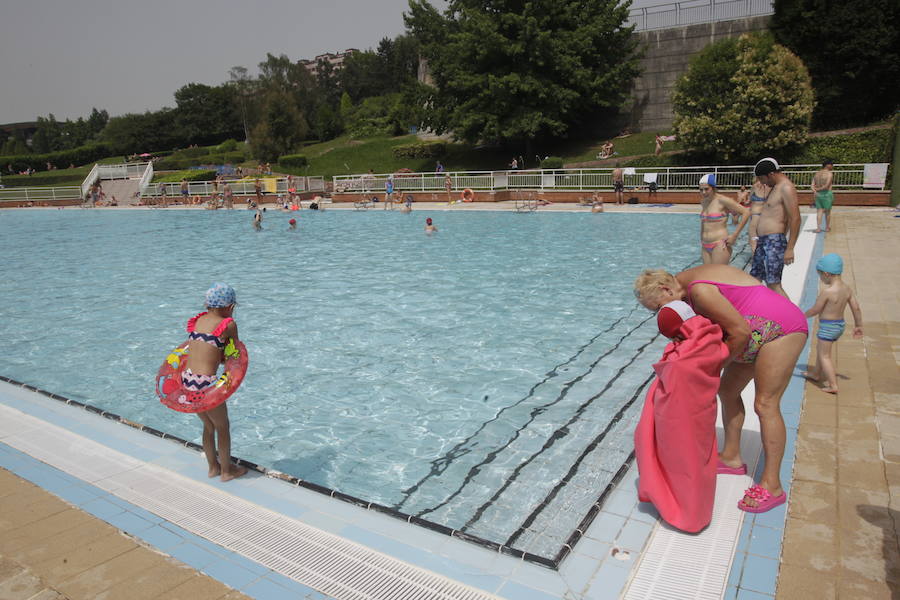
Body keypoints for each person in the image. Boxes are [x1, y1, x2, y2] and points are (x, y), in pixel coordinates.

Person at [634, 265, 807, 513]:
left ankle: (773, 485)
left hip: (781, 329)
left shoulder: (700, 292)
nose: (663, 312)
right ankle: (732, 456)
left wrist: (713, 367)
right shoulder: (685, 290)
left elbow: (740, 331)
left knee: (766, 404)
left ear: (665, 289)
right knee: (727, 391)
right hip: (756, 333)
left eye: (659, 306)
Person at [183, 283, 247, 481]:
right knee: (222, 427)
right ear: (230, 307)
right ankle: (227, 471)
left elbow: (205, 348)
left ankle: (213, 467)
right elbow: (232, 355)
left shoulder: (199, 320)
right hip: (207, 384)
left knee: (208, 427)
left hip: (187, 380)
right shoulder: (228, 324)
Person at [802, 254, 863, 394]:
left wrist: (802, 315)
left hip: (828, 327)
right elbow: (856, 307)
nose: (821, 279)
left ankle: (833, 385)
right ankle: (816, 373)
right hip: (839, 325)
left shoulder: (827, 292)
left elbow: (816, 309)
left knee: (825, 356)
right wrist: (858, 325)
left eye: (821, 276)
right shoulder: (847, 289)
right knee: (821, 350)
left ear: (827, 274)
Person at [750, 158, 801, 299]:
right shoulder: (775, 188)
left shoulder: (786, 187)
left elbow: (795, 218)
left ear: (771, 174)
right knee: (754, 279)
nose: (762, 183)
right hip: (764, 241)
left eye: (762, 178)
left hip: (774, 242)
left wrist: (790, 248)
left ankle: (792, 317)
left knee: (773, 284)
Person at [698, 173, 749, 265]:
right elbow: (704, 222)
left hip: (719, 244)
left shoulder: (723, 200)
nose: (703, 192)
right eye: (701, 190)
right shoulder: (704, 201)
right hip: (705, 245)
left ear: (713, 188)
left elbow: (746, 212)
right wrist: (701, 239)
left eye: (706, 189)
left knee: (718, 277)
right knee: (707, 277)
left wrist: (735, 235)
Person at [811, 159, 835, 233]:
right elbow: (826, 186)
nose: (832, 166)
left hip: (818, 195)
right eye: (831, 165)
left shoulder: (817, 173)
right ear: (828, 165)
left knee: (819, 211)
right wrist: (818, 189)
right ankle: (827, 227)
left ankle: (818, 228)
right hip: (827, 194)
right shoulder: (829, 174)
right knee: (827, 211)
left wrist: (815, 191)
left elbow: (812, 185)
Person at [747, 179, 769, 253]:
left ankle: (755, 260)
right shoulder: (769, 187)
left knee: (753, 239)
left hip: (755, 216)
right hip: (765, 217)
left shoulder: (755, 186)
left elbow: (748, 201)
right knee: (763, 240)